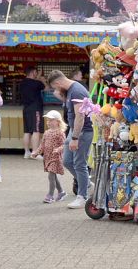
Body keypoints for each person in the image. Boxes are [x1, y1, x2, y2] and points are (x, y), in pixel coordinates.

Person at [47, 70, 93, 209]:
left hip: (82, 132)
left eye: (55, 87)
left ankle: (82, 196)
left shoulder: (77, 91)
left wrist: (75, 138)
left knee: (80, 164)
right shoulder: (70, 91)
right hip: (74, 131)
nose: (56, 90)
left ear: (58, 82)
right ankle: (87, 184)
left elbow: (80, 117)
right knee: (67, 161)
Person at [31, 110, 67, 203]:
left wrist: (58, 150)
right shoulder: (47, 133)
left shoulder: (60, 133)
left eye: (51, 120)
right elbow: (42, 145)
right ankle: (61, 192)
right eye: (48, 120)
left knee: (51, 176)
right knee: (53, 176)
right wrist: (36, 152)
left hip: (55, 158)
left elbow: (64, 145)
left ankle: (50, 195)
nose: (49, 122)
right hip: (47, 158)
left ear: (58, 121)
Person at [19, 66, 46, 158]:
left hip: (26, 108)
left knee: (27, 131)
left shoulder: (22, 83)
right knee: (36, 130)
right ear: (33, 72)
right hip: (36, 108)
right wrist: (42, 79)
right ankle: (35, 152)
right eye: (36, 72)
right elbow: (46, 88)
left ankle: (26, 152)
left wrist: (38, 78)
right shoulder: (37, 83)